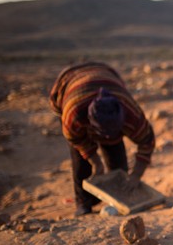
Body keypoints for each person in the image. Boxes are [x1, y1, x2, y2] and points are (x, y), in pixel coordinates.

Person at [49, 61, 156, 216]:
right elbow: (75, 139)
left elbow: (147, 142)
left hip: (107, 75)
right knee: (81, 160)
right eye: (103, 134)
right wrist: (95, 161)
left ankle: (118, 199)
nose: (107, 137)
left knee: (116, 157)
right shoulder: (74, 114)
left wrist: (135, 176)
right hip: (68, 84)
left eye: (113, 133)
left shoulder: (131, 113)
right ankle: (83, 203)